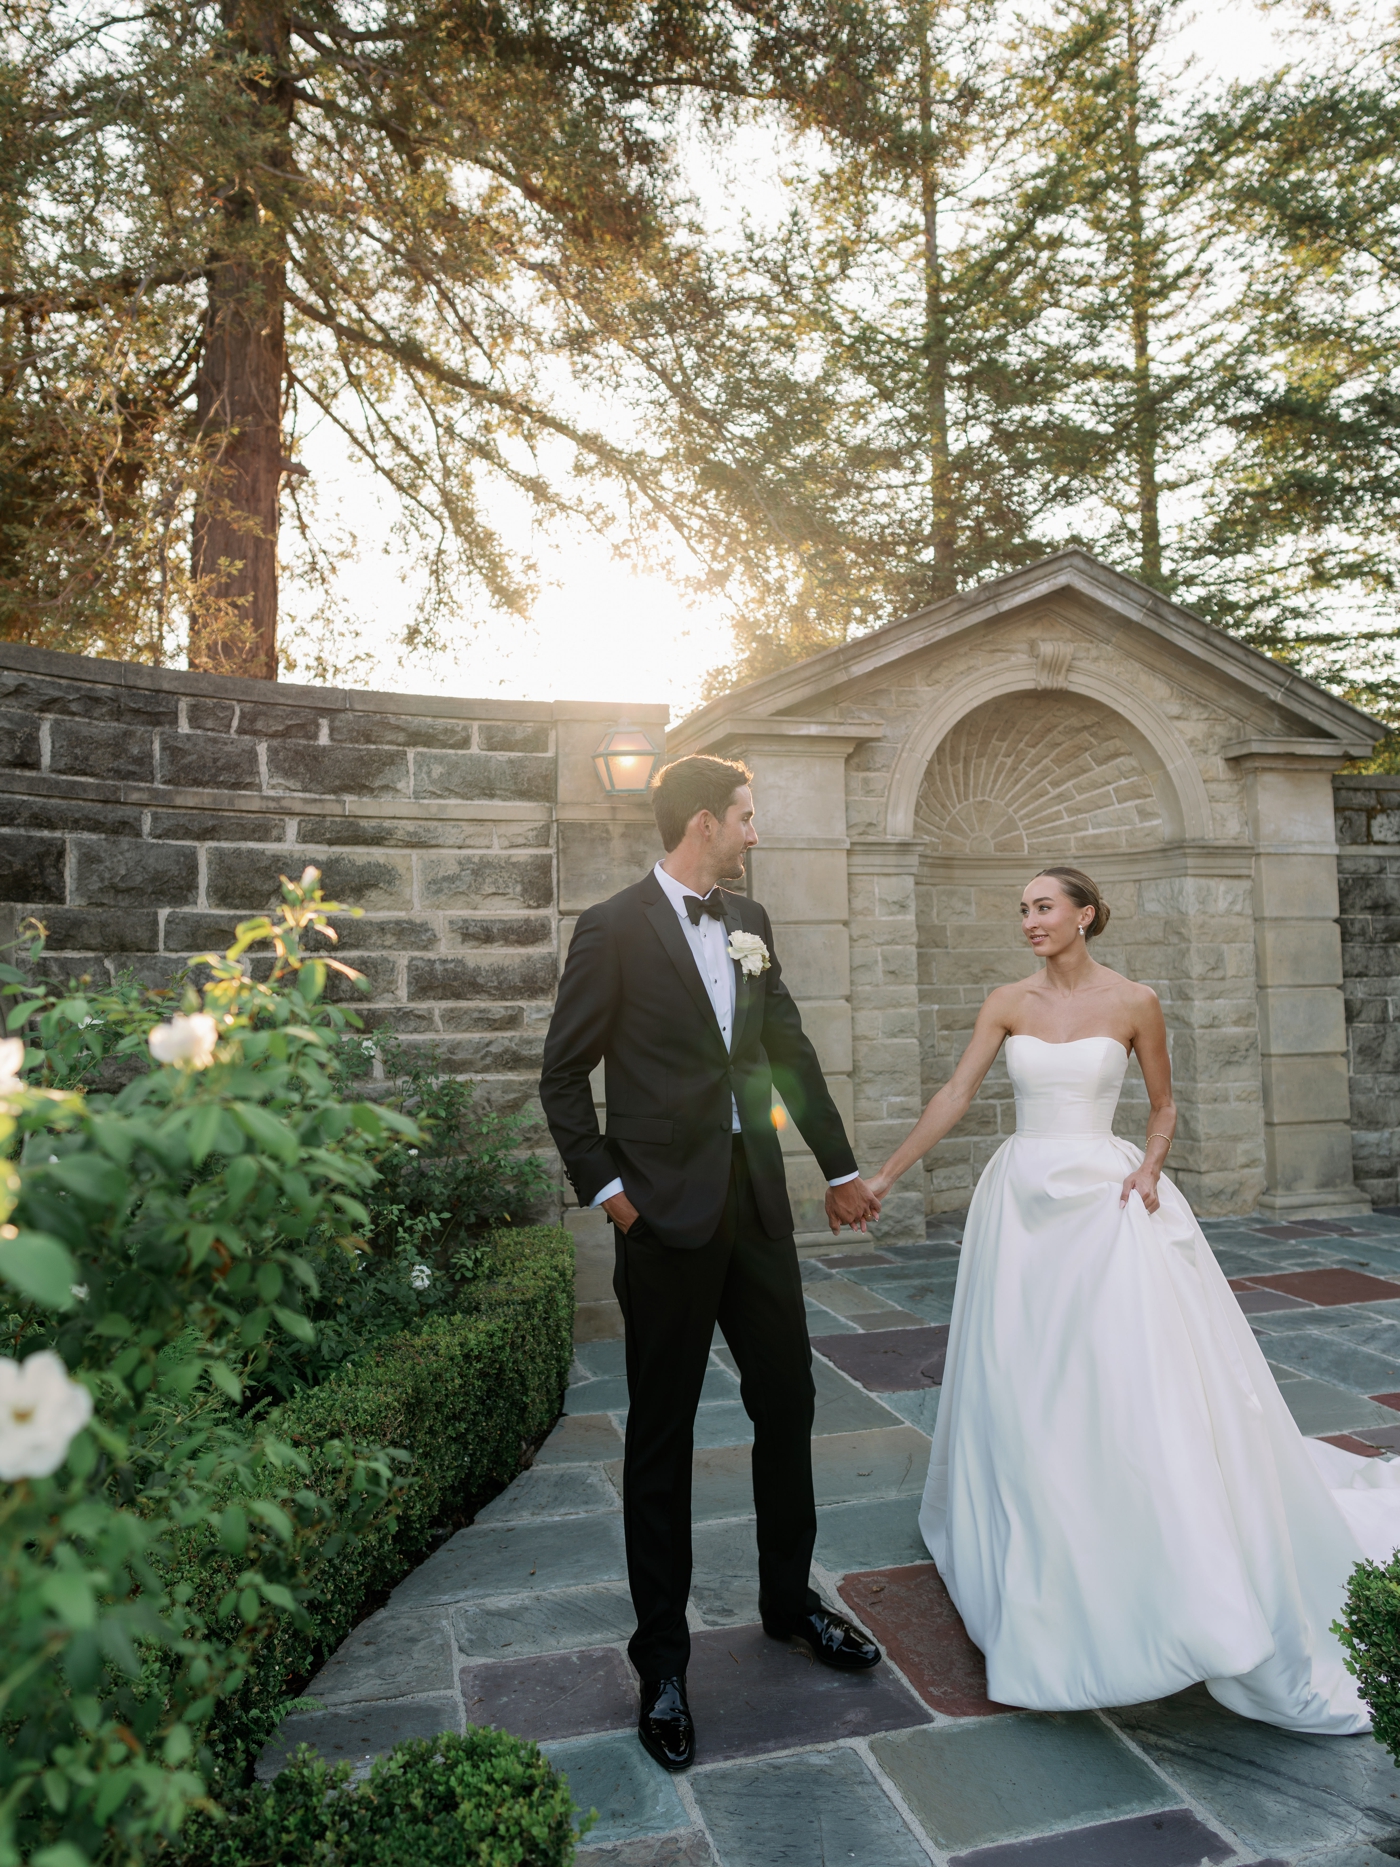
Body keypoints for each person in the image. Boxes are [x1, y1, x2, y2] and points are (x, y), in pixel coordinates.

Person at [866, 865, 1400, 1732]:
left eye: (1044, 907)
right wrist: (886, 1174)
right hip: (1023, 1205)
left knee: (1122, 1375)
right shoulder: (1007, 1000)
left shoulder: (1135, 1001)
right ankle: (1040, 1555)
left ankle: (1147, 1554)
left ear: (1085, 914)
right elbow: (957, 1094)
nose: (1030, 921)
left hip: (1108, 1203)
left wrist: (1150, 1167)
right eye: (1024, 910)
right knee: (1024, 1376)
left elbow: (1162, 1105)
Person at [540, 754, 884, 1772]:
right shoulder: (609, 926)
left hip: (756, 1205)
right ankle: (662, 1665)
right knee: (661, 1433)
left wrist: (839, 1165)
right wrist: (612, 1197)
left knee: (788, 1404)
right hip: (663, 1218)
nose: (753, 830)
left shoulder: (753, 922)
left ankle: (789, 1605)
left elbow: (787, 1049)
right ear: (702, 822)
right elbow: (561, 1075)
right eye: (744, 815)